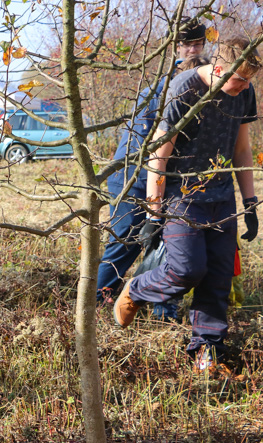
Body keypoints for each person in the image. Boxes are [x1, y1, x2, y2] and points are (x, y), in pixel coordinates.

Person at [114, 38, 260, 369]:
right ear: (219, 68)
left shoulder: (245, 92)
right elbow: (159, 152)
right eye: (238, 79)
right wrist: (154, 213)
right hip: (183, 198)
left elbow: (241, 150)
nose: (243, 87)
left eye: (249, 81)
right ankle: (137, 289)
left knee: (219, 277)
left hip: (222, 197)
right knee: (186, 269)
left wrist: (249, 201)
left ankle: (206, 349)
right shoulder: (185, 89)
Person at [97, 18, 209, 320]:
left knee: (167, 244)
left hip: (166, 178)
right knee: (126, 241)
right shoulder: (169, 85)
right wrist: (154, 198)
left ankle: (163, 310)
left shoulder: (201, 81)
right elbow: (149, 144)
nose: (192, 49)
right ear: (175, 47)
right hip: (134, 175)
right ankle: (99, 303)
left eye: (198, 43)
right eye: (187, 44)